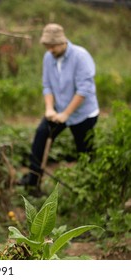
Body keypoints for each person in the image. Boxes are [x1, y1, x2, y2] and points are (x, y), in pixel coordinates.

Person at [18, 23, 99, 196]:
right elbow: (47, 85)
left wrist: (66, 114)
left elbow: (84, 90)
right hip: (58, 109)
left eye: (53, 46)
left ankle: (90, 187)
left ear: (63, 42)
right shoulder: (48, 57)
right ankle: (33, 181)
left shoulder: (81, 56)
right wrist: (49, 109)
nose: (50, 50)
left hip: (82, 114)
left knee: (84, 151)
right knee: (41, 136)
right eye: (47, 47)